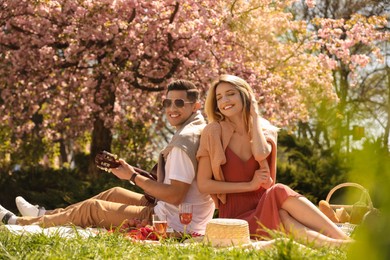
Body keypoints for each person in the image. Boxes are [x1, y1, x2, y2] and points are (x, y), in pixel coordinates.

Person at [0, 79, 215, 235]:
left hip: (173, 223)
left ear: (196, 106)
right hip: (173, 212)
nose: (171, 109)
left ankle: (20, 224)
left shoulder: (184, 141)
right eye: (167, 103)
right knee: (113, 193)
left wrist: (132, 176)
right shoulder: (197, 128)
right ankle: (44, 214)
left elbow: (176, 195)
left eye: (179, 103)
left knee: (93, 209)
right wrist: (132, 172)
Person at [196, 74, 352, 247]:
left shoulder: (264, 129)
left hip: (266, 206)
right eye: (219, 97)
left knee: (282, 212)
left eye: (230, 93)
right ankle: (343, 241)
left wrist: (254, 117)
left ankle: (342, 245)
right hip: (237, 221)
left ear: (244, 95)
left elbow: (260, 154)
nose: (224, 100)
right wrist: (249, 185)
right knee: (279, 192)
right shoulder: (212, 132)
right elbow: (204, 184)